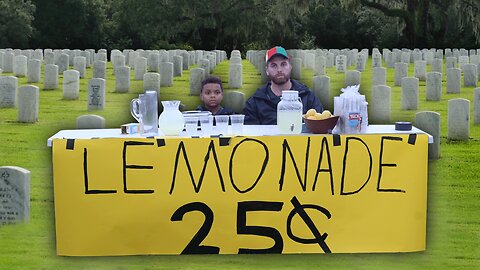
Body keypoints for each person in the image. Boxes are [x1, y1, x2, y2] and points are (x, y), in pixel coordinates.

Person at [243, 46, 323, 125]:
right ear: (267, 70)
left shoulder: (307, 96)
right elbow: (250, 133)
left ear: (290, 67)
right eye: (274, 65)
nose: (279, 70)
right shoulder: (255, 102)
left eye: (283, 64)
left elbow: (321, 126)